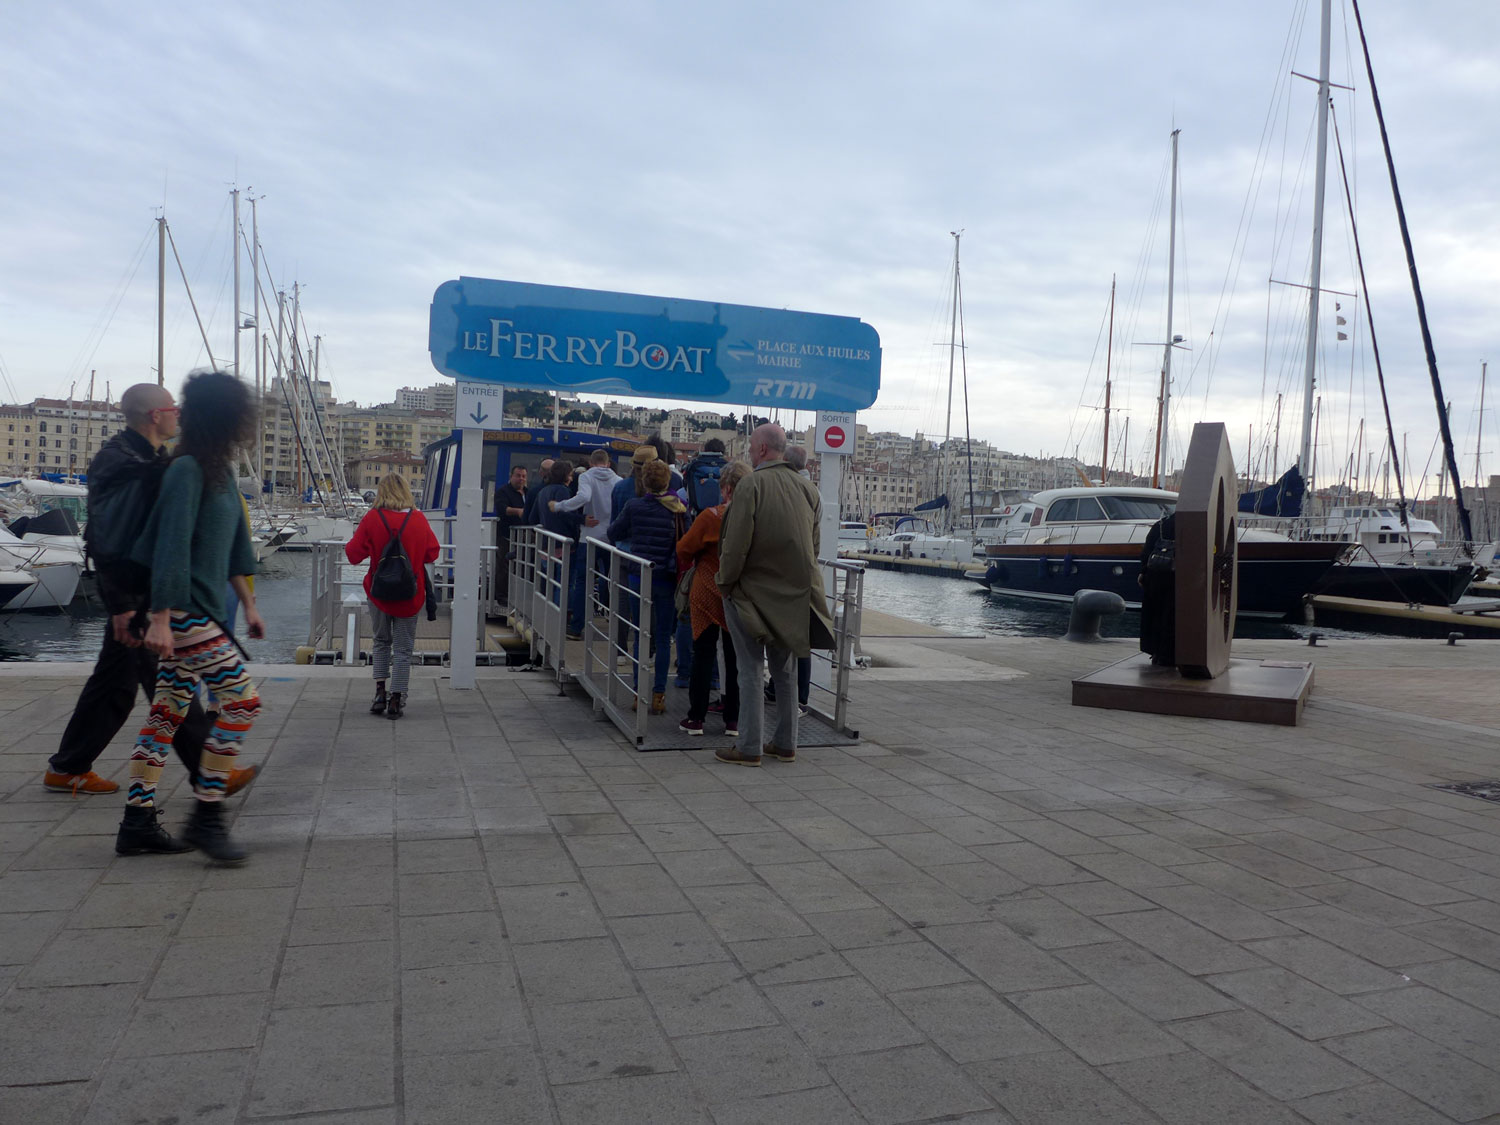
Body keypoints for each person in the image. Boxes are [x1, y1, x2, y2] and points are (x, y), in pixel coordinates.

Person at [48, 384, 255, 812]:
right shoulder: (125, 463)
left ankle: (71, 769)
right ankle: (205, 776)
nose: (179, 415)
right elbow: (108, 539)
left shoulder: (152, 459)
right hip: (143, 599)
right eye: (172, 409)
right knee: (171, 694)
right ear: (154, 416)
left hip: (146, 596)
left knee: (120, 684)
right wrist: (123, 606)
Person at [120, 370, 265, 864]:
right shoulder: (186, 470)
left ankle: (136, 822)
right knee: (242, 704)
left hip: (200, 611)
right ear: (231, 416)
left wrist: (247, 604)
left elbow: (234, 548)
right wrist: (159, 617)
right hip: (183, 613)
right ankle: (206, 816)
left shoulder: (217, 469)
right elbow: (171, 546)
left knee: (166, 716)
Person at [714, 424, 834, 767]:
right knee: (785, 670)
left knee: (749, 668)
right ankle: (786, 742)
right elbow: (812, 547)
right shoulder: (807, 489)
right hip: (793, 596)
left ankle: (749, 747)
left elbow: (735, 546)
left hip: (750, 595)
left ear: (763, 450)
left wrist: (725, 583)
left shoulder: (751, 485)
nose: (749, 452)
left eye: (751, 447)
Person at [345, 473, 441, 720]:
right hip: (410, 595)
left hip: (379, 594)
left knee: (380, 642)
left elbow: (353, 554)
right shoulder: (418, 519)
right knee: (403, 648)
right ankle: (397, 699)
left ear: (381, 492)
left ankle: (379, 693)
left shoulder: (372, 518)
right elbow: (432, 554)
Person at [676, 461, 749, 737]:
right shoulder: (752, 518)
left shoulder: (710, 516)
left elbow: (684, 549)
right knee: (735, 658)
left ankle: (696, 718)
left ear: (726, 488)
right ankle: (733, 719)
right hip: (739, 593)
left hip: (707, 588)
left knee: (703, 653)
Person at [607, 458, 685, 714]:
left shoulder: (634, 506)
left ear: (643, 482)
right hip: (666, 577)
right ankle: (659, 694)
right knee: (663, 638)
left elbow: (613, 533)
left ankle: (638, 692)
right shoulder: (678, 509)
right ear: (667, 482)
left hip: (639, 576)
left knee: (641, 635)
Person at [550, 448, 616, 625]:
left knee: (582, 581)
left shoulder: (587, 476)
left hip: (589, 537)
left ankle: (577, 626)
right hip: (610, 538)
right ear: (608, 463)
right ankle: (616, 624)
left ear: (591, 463)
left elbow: (584, 497)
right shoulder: (618, 480)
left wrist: (559, 506)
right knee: (613, 580)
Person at [536, 460, 585, 636]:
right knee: (563, 585)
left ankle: (546, 620)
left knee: (549, 584)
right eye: (570, 474)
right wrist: (580, 525)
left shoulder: (543, 491)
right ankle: (557, 623)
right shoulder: (563, 491)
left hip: (546, 545)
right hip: (563, 546)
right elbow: (567, 515)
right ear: (565, 475)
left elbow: (534, 515)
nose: (572, 478)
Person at [1139, 511, 1178, 666]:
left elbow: (1147, 549)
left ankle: (1155, 652)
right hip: (1176, 577)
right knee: (1170, 616)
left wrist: (1143, 572)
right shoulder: (1193, 523)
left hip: (1155, 575)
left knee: (1154, 614)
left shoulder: (1162, 523)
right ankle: (1169, 654)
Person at [495, 464, 529, 605]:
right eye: (518, 475)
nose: (521, 479)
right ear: (511, 476)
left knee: (524, 565)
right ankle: (502, 596)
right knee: (504, 565)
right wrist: (519, 511)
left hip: (526, 537)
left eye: (523, 476)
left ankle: (521, 595)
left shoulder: (528, 492)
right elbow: (503, 509)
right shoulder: (503, 492)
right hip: (506, 535)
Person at [523, 457, 555, 524]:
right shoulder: (565, 489)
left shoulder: (534, 491)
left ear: (540, 472)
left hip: (538, 530)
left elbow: (527, 516)